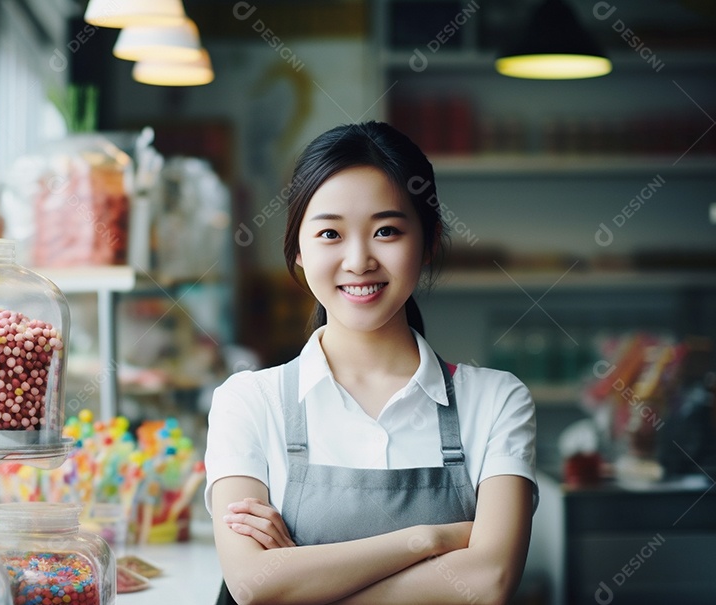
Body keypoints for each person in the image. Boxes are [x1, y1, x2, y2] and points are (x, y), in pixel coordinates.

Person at [205, 122, 537, 605]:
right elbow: (253, 584)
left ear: (428, 241)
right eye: (330, 233)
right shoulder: (249, 401)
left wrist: (301, 578)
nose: (358, 260)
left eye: (386, 230)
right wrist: (429, 540)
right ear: (298, 248)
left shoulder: (497, 399)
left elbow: (489, 582)